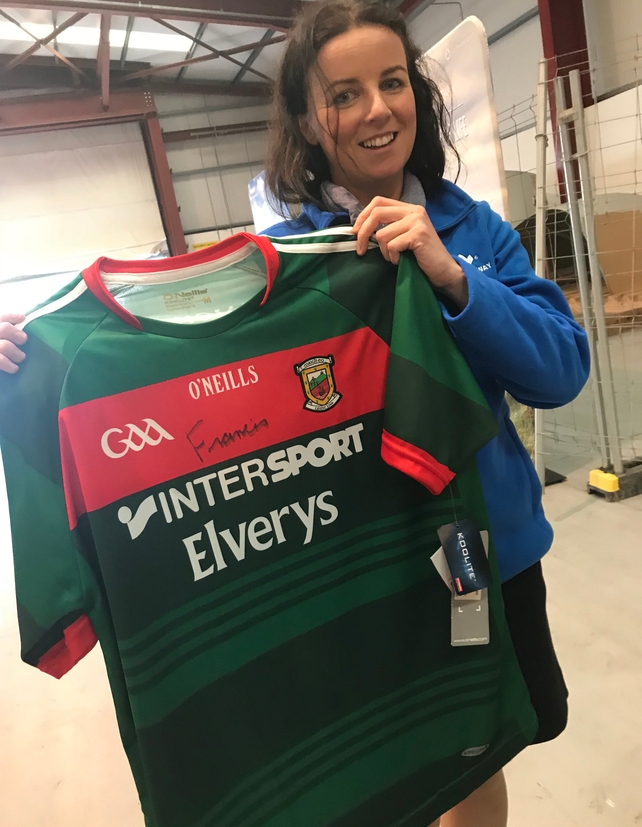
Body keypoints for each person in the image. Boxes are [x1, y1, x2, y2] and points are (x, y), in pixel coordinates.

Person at [0, 1, 589, 824]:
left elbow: (562, 370)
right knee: (388, 758)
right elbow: (201, 377)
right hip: (366, 568)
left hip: (486, 554)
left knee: (480, 744)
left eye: (392, 82)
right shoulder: (289, 266)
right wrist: (36, 358)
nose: (376, 109)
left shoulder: (473, 229)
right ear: (309, 120)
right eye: (344, 94)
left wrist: (455, 279)